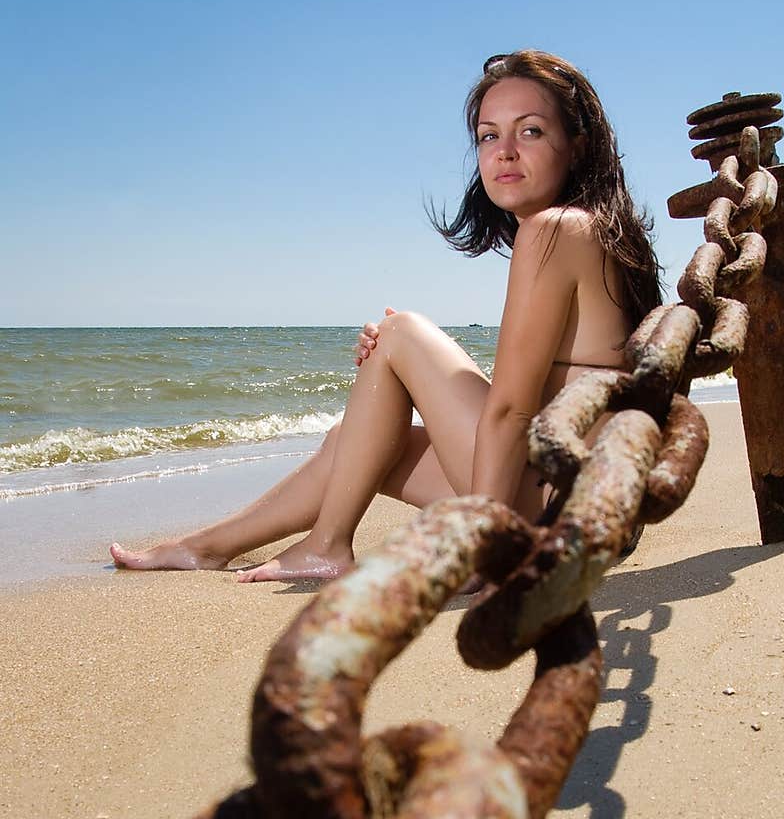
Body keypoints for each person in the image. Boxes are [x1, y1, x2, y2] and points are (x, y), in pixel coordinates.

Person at [110, 50, 661, 583]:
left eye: (531, 130)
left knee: (399, 332)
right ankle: (205, 548)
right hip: (579, 507)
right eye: (489, 135)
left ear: (578, 145)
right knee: (356, 442)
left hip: (552, 508)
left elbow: (512, 409)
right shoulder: (596, 231)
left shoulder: (556, 230)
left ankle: (326, 547)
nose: (504, 151)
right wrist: (399, 373)